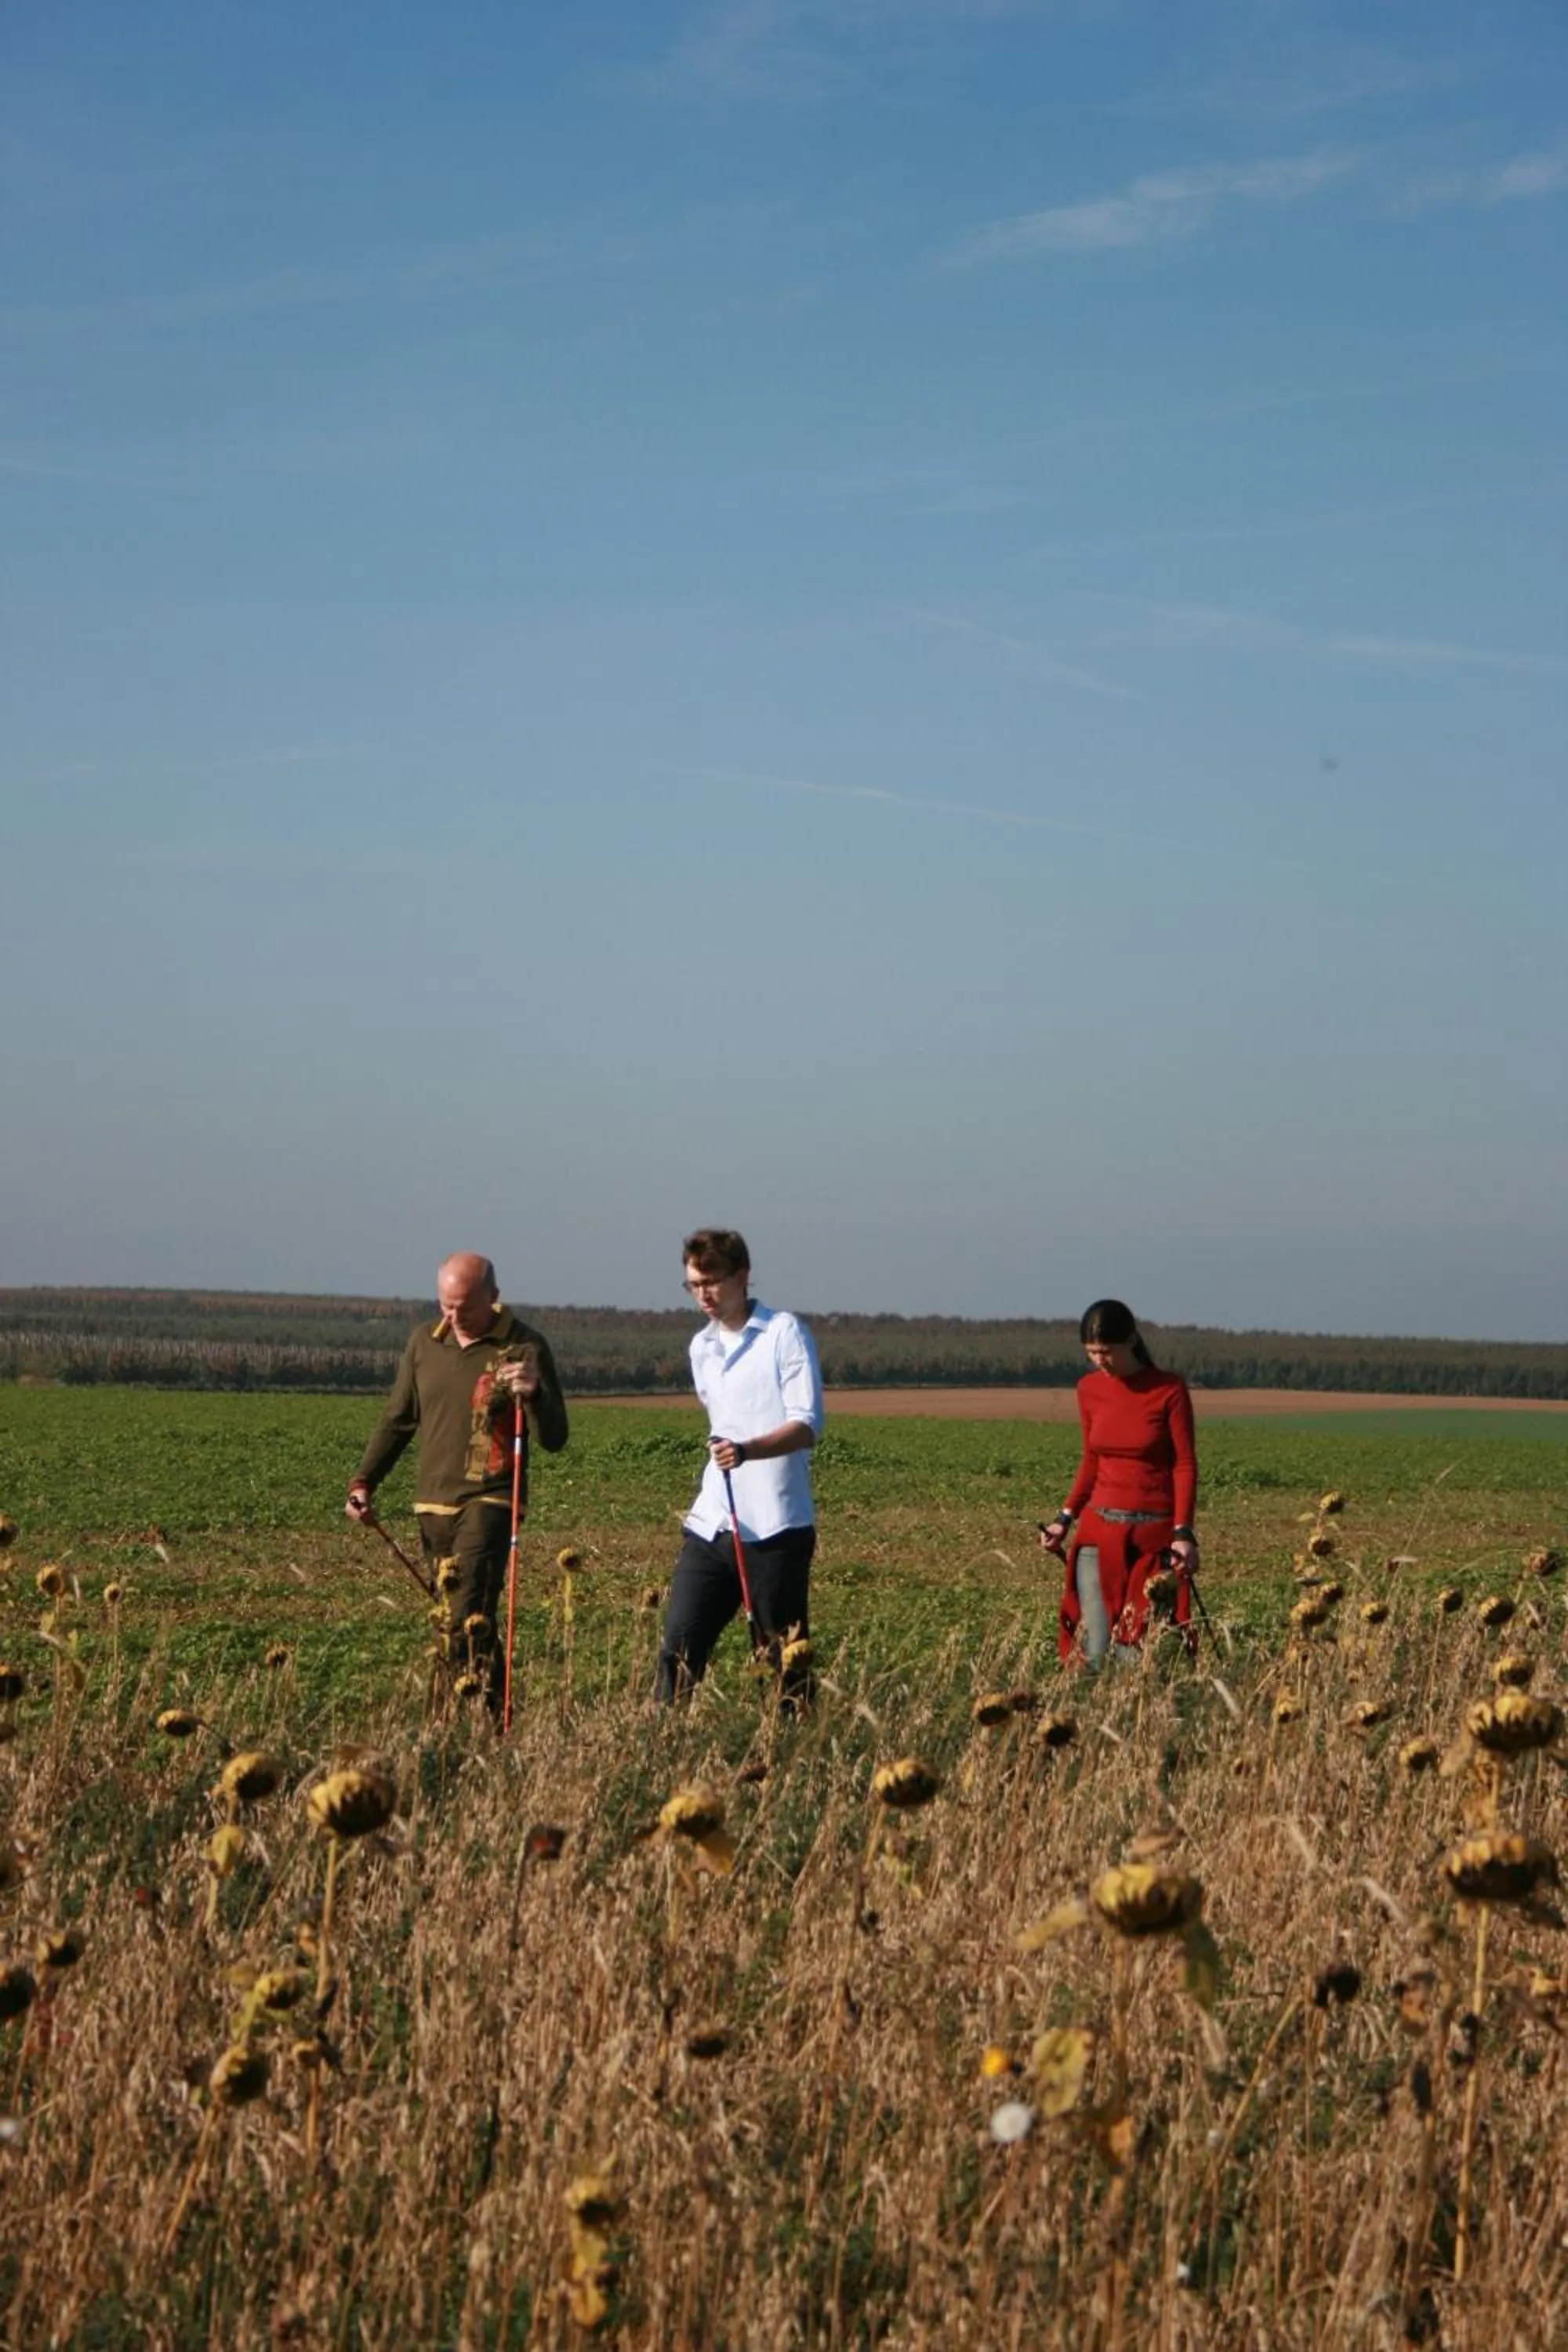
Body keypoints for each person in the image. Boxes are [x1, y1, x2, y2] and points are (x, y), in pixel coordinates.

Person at [346, 1254, 568, 1708]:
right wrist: (364, 1481)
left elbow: (555, 1437)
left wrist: (535, 1394)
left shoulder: (524, 1347)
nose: (453, 1317)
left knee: (462, 1613)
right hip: (433, 1503)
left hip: (492, 1499)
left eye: (464, 1307)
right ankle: (499, 1718)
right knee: (462, 1617)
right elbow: (398, 1418)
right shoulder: (424, 1343)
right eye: (445, 1305)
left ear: (494, 1297)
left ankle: (441, 1721)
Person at [656, 1228, 824, 1705]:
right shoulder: (700, 1348)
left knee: (783, 1662)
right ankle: (661, 1746)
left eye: (713, 1281)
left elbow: (806, 1425)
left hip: (776, 1527)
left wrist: (747, 1450)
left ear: (742, 1276)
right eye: (693, 1284)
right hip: (712, 1523)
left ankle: (793, 1751)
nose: (704, 1294)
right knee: (678, 1648)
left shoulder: (783, 1332)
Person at [1039, 1299, 1199, 1666]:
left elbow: (1185, 1464)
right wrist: (1063, 1520)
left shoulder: (1168, 1389)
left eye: (1106, 1351)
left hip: (1152, 1539)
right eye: (1092, 1353)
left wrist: (1183, 1533)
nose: (1099, 1360)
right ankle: (1090, 1718)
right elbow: (1091, 1460)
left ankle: (1135, 1719)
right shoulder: (1089, 1390)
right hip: (1098, 1533)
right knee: (1093, 1646)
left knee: (1133, 1650)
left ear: (1130, 1341)